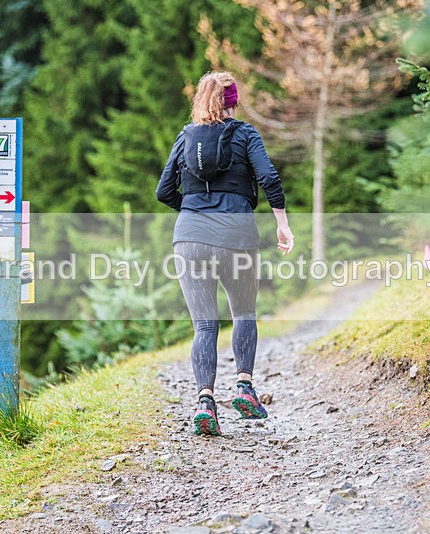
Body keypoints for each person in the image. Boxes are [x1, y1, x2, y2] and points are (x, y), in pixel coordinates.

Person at [156, 71, 294, 436]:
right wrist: (282, 223)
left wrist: (193, 214)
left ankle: (205, 402)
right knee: (244, 312)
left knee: (204, 325)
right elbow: (269, 178)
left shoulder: (185, 138)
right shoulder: (245, 134)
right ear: (233, 101)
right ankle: (245, 387)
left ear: (199, 99)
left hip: (189, 238)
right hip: (237, 234)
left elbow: (163, 191)